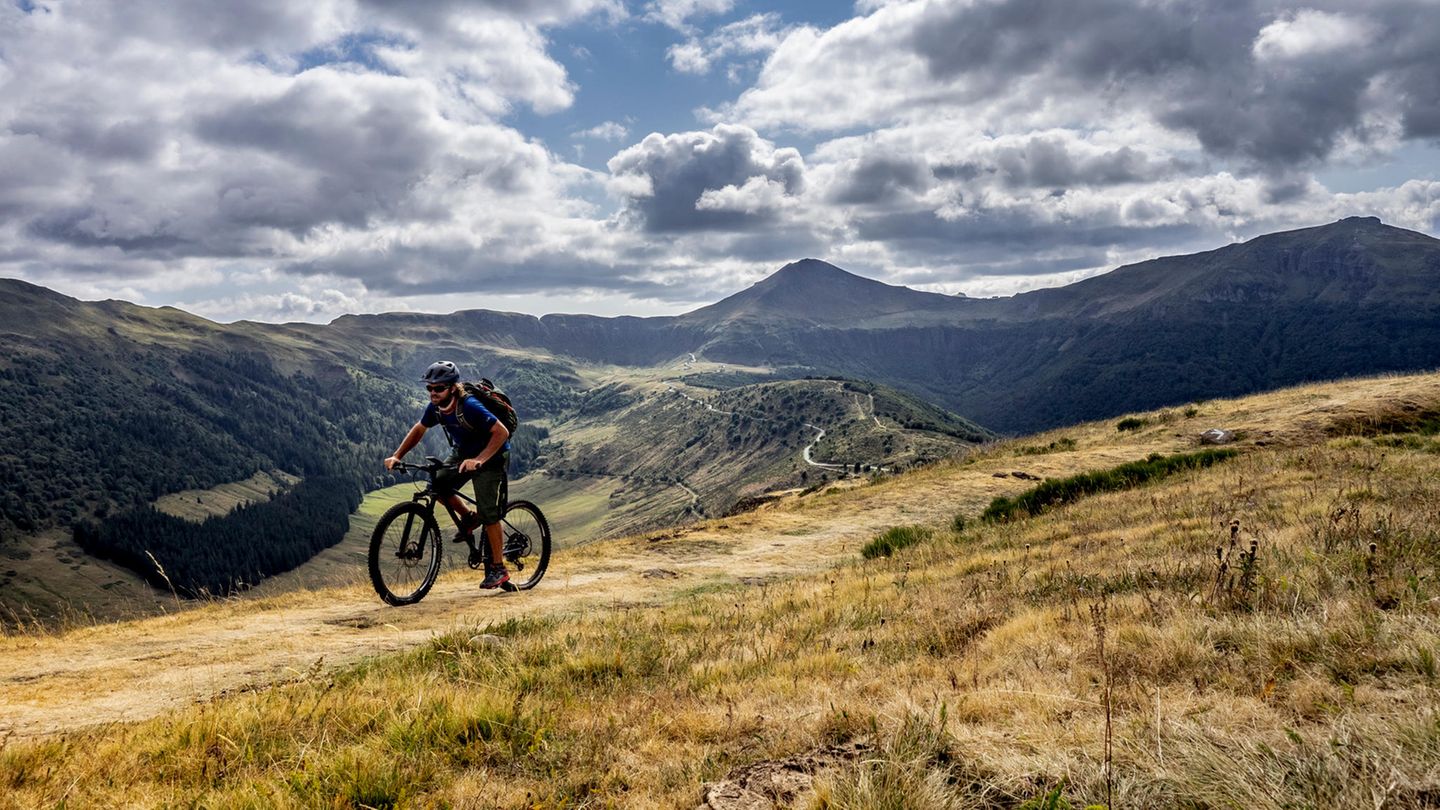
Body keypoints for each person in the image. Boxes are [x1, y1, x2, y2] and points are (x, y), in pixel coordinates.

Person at [384, 360, 512, 589]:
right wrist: (397, 456)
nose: (433, 392)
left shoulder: (470, 405)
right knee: (437, 485)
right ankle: (468, 518)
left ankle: (498, 567)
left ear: (453, 387)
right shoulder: (435, 408)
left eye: (439, 388)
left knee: (488, 512)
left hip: (491, 455)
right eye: (429, 388)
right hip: (463, 452)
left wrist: (480, 460)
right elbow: (419, 429)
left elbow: (501, 432)